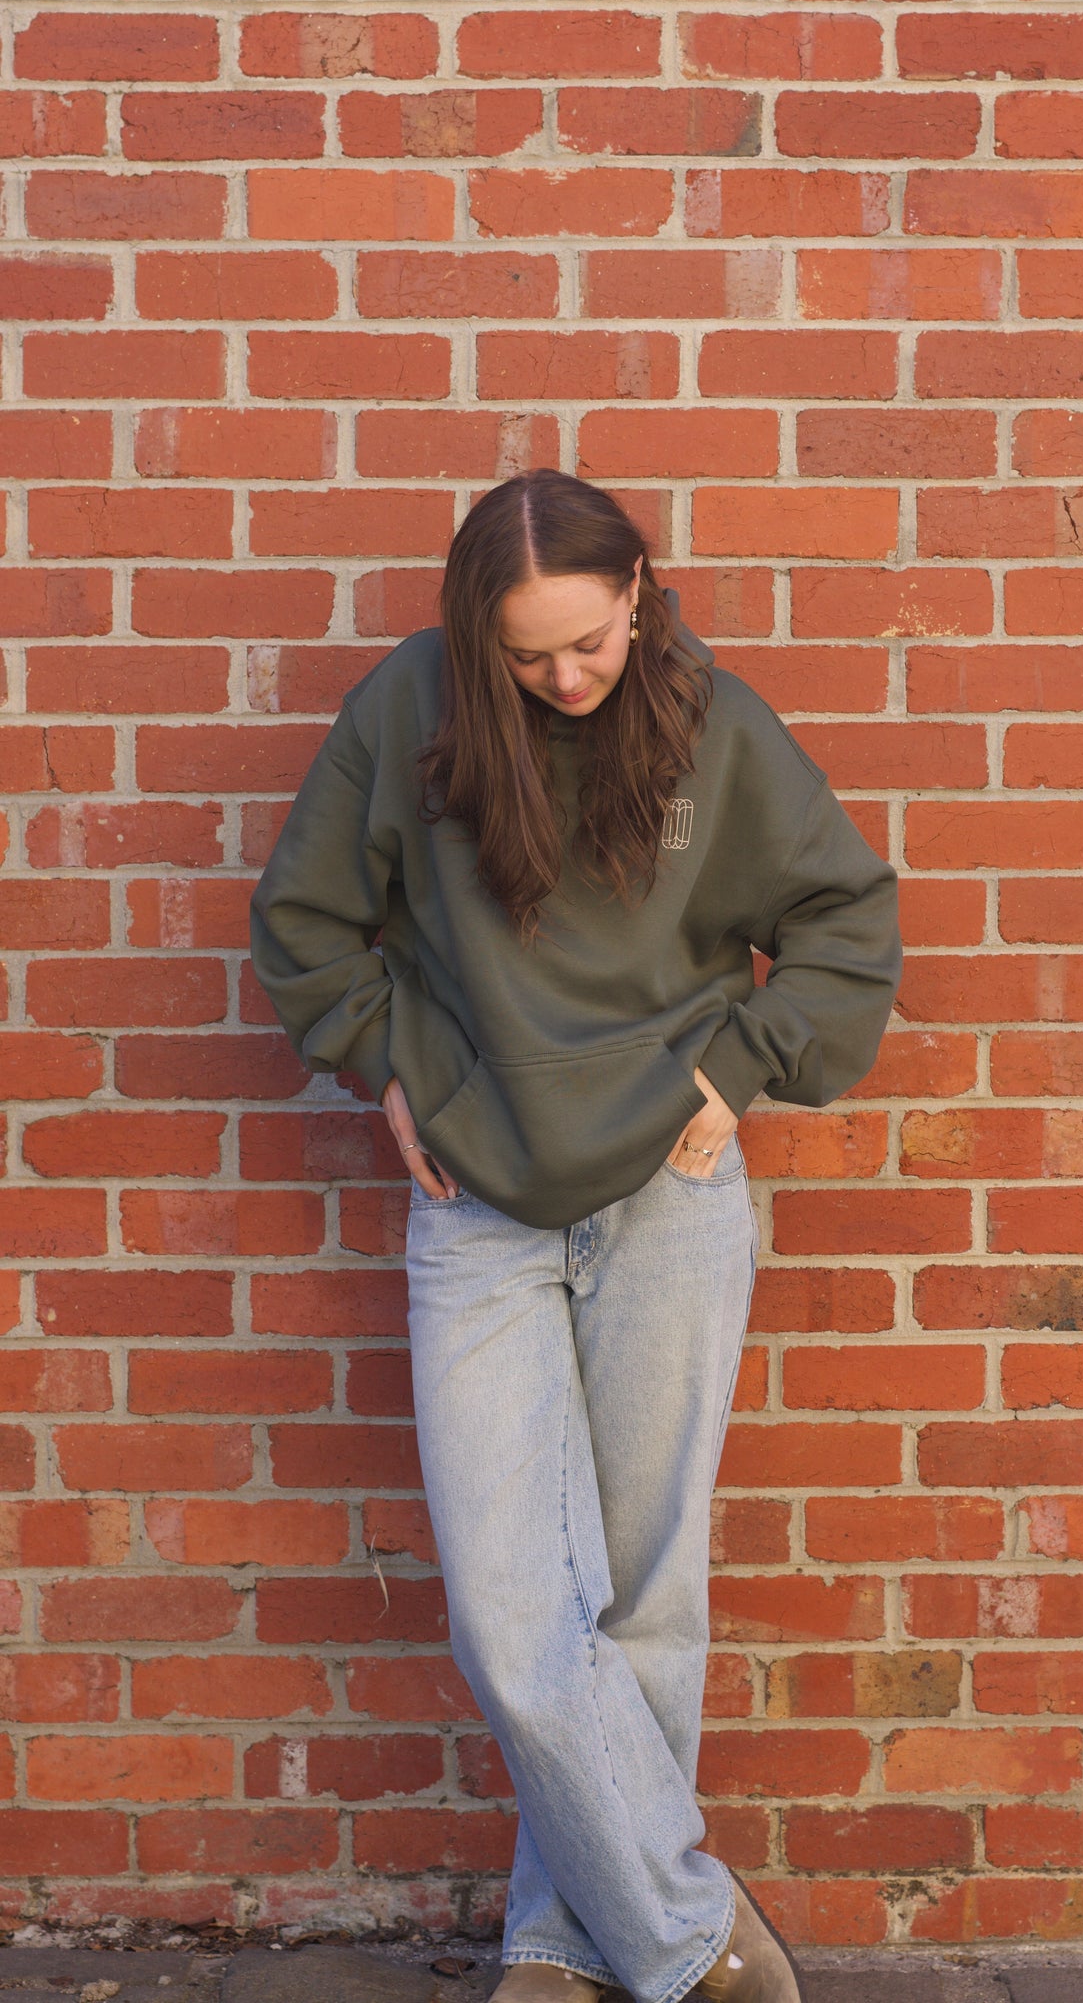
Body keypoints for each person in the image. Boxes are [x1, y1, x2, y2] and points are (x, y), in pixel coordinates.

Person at [249, 469, 903, 2003]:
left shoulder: (709, 726)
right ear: (475, 635)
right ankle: (690, 1937)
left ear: (638, 597)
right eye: (526, 655)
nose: (563, 680)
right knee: (508, 1610)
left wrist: (734, 1073)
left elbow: (846, 925)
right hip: (473, 1202)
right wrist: (390, 1067)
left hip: (667, 1189)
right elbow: (306, 924)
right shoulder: (408, 714)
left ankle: (562, 1945)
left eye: (589, 643)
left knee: (642, 1597)